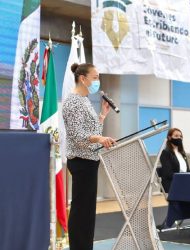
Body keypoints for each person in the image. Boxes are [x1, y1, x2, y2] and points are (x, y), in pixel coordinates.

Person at [62, 63, 116, 250]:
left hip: (90, 161)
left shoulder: (84, 100)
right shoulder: (74, 101)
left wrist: (102, 115)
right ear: (83, 79)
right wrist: (101, 138)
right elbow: (77, 136)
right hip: (81, 161)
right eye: (95, 77)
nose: (97, 81)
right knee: (81, 211)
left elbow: (91, 132)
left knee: (87, 212)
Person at [159, 128, 190, 193]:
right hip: (172, 186)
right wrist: (184, 178)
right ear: (169, 137)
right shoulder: (165, 153)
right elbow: (168, 173)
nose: (179, 138)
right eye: (176, 136)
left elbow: (188, 170)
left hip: (183, 184)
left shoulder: (182, 152)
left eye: (181, 136)